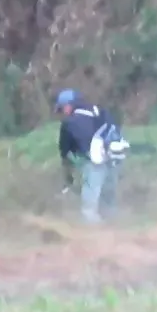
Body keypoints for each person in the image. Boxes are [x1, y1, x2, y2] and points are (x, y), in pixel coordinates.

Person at [54, 89, 128, 223]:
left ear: (69, 105)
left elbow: (65, 152)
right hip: (114, 157)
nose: (62, 112)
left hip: (94, 160)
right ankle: (115, 223)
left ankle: (91, 226)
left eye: (62, 108)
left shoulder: (69, 123)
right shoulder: (99, 111)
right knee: (109, 193)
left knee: (91, 195)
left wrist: (68, 175)